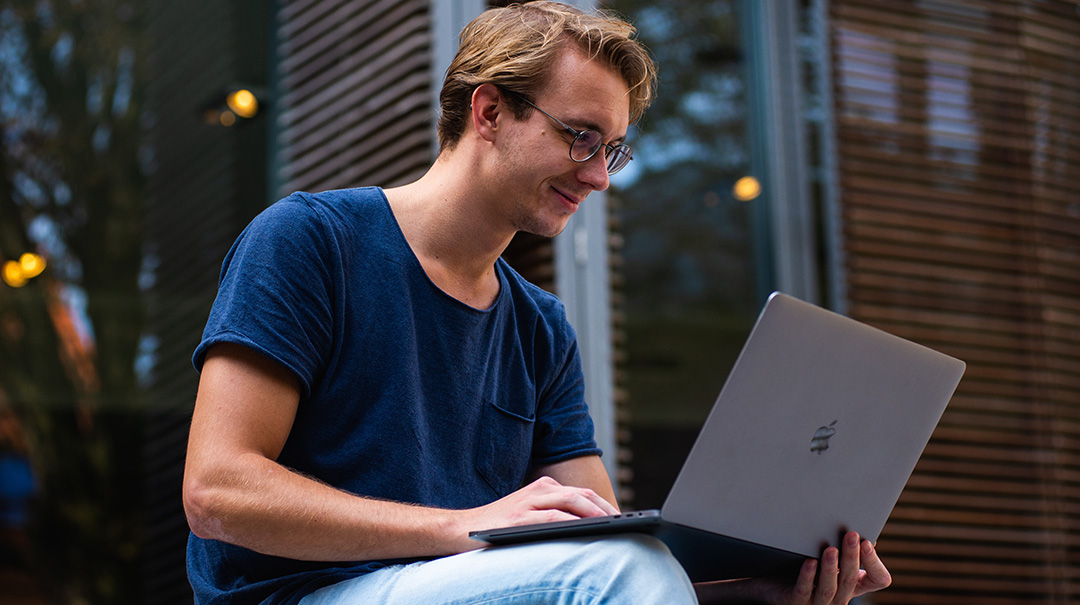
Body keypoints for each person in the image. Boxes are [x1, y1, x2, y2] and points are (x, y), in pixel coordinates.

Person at [182, 2, 892, 604]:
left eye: (612, 150)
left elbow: (599, 548)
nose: (598, 177)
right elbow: (217, 493)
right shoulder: (311, 241)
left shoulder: (539, 326)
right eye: (581, 137)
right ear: (489, 110)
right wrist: (465, 524)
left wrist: (756, 589)